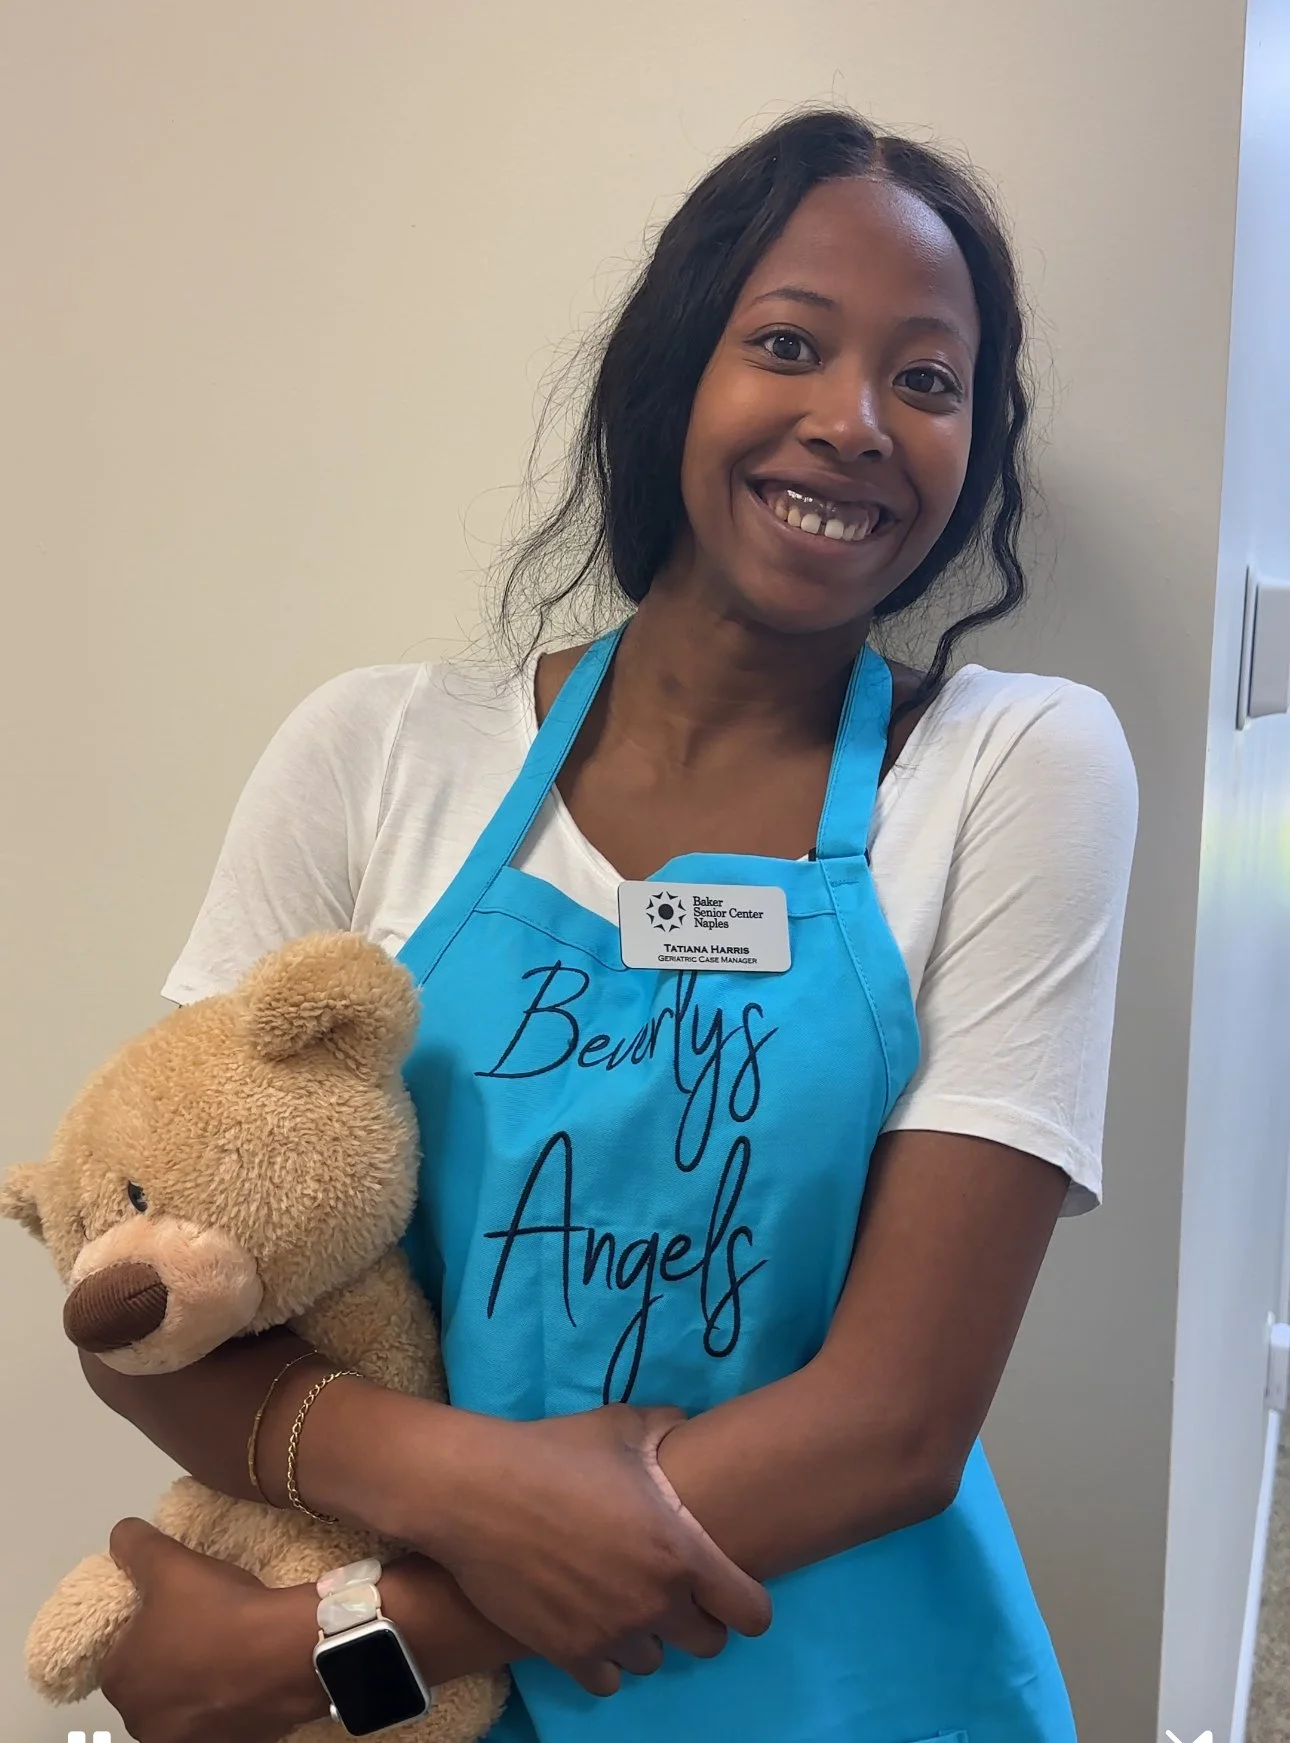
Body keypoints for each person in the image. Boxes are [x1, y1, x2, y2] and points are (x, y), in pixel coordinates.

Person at [82, 106, 1138, 1743]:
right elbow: (148, 1272)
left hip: (849, 1694)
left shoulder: (1013, 767)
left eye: (927, 380)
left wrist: (319, 1652)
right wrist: (464, 1480)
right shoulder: (374, 753)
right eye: (787, 343)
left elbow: (895, 1421)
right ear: (671, 375)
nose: (854, 421)